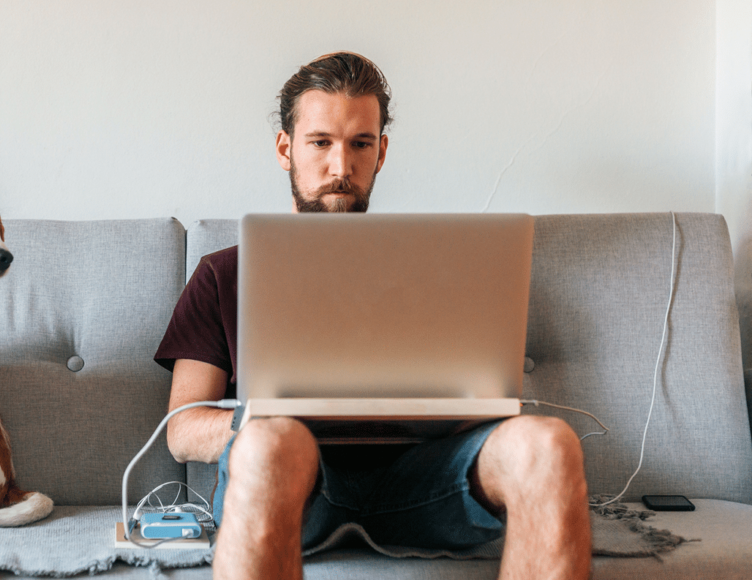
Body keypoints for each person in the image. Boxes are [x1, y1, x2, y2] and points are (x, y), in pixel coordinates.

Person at [154, 52, 591, 580]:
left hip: (428, 479)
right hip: (295, 481)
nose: (341, 168)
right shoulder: (223, 274)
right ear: (285, 148)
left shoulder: (444, 266)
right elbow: (183, 427)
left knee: (549, 443)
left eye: (360, 144)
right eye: (321, 143)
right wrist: (266, 418)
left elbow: (483, 390)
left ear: (381, 152)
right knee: (274, 441)